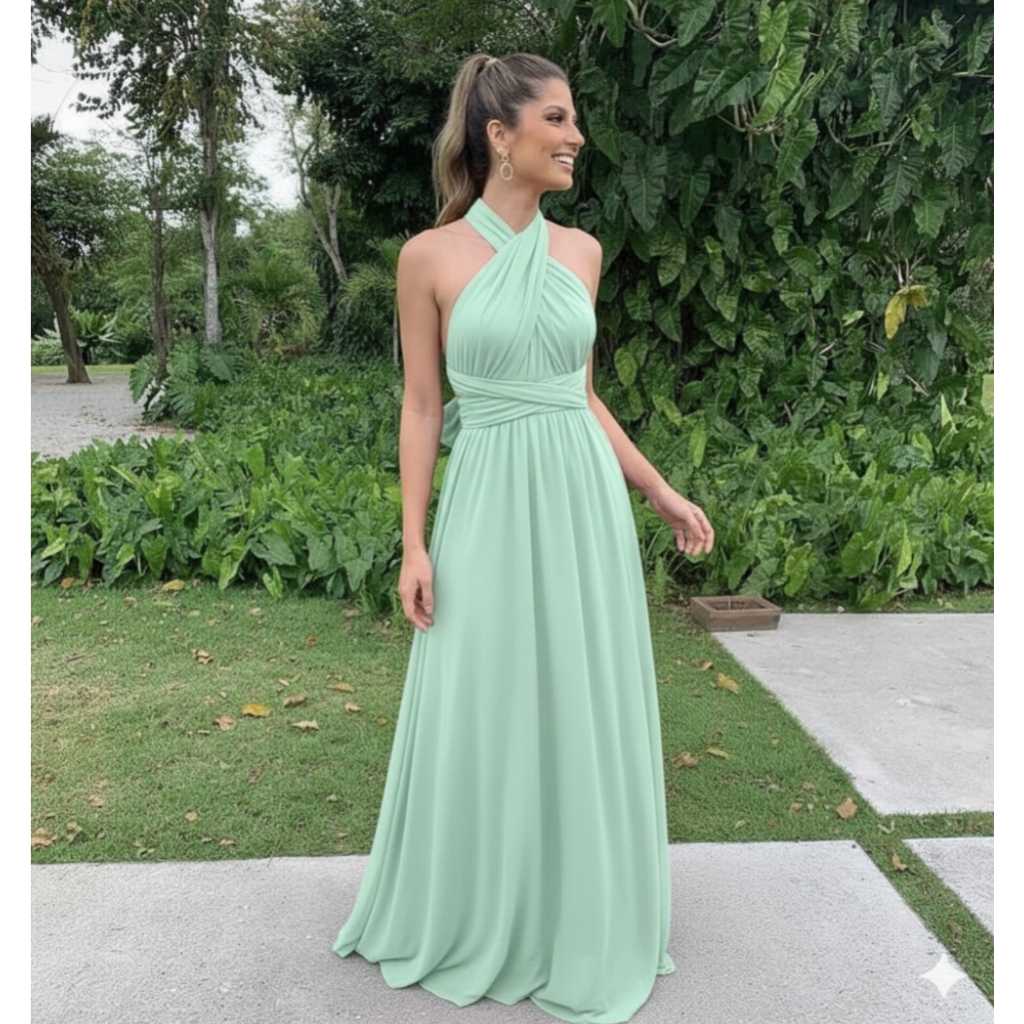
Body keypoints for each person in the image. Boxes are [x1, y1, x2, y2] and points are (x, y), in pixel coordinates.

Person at [332, 51, 714, 1024]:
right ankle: (482, 900)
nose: (575, 135)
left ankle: (576, 908)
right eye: (557, 118)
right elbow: (423, 408)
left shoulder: (581, 252)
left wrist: (658, 489)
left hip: (579, 501)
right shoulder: (428, 258)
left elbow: (580, 396)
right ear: (500, 136)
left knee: (578, 690)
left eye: (573, 119)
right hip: (489, 499)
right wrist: (414, 543)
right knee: (487, 690)